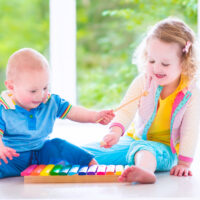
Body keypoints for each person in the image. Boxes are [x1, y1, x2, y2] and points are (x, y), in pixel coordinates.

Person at [83, 17, 200, 184]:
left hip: (165, 150)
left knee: (145, 150)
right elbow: (126, 110)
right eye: (152, 61)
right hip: (134, 140)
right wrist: (115, 132)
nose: (156, 68)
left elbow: (190, 130)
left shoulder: (191, 93)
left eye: (165, 64)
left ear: (184, 62)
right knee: (87, 154)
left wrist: (184, 163)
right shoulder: (143, 82)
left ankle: (143, 171)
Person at [0, 48, 115, 178]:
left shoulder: (51, 101)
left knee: (59, 145)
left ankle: (93, 166)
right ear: (11, 87)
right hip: (11, 157)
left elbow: (73, 111)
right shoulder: (3, 108)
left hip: (42, 152)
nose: (40, 95)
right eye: (33, 91)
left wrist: (95, 116)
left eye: (45, 87)